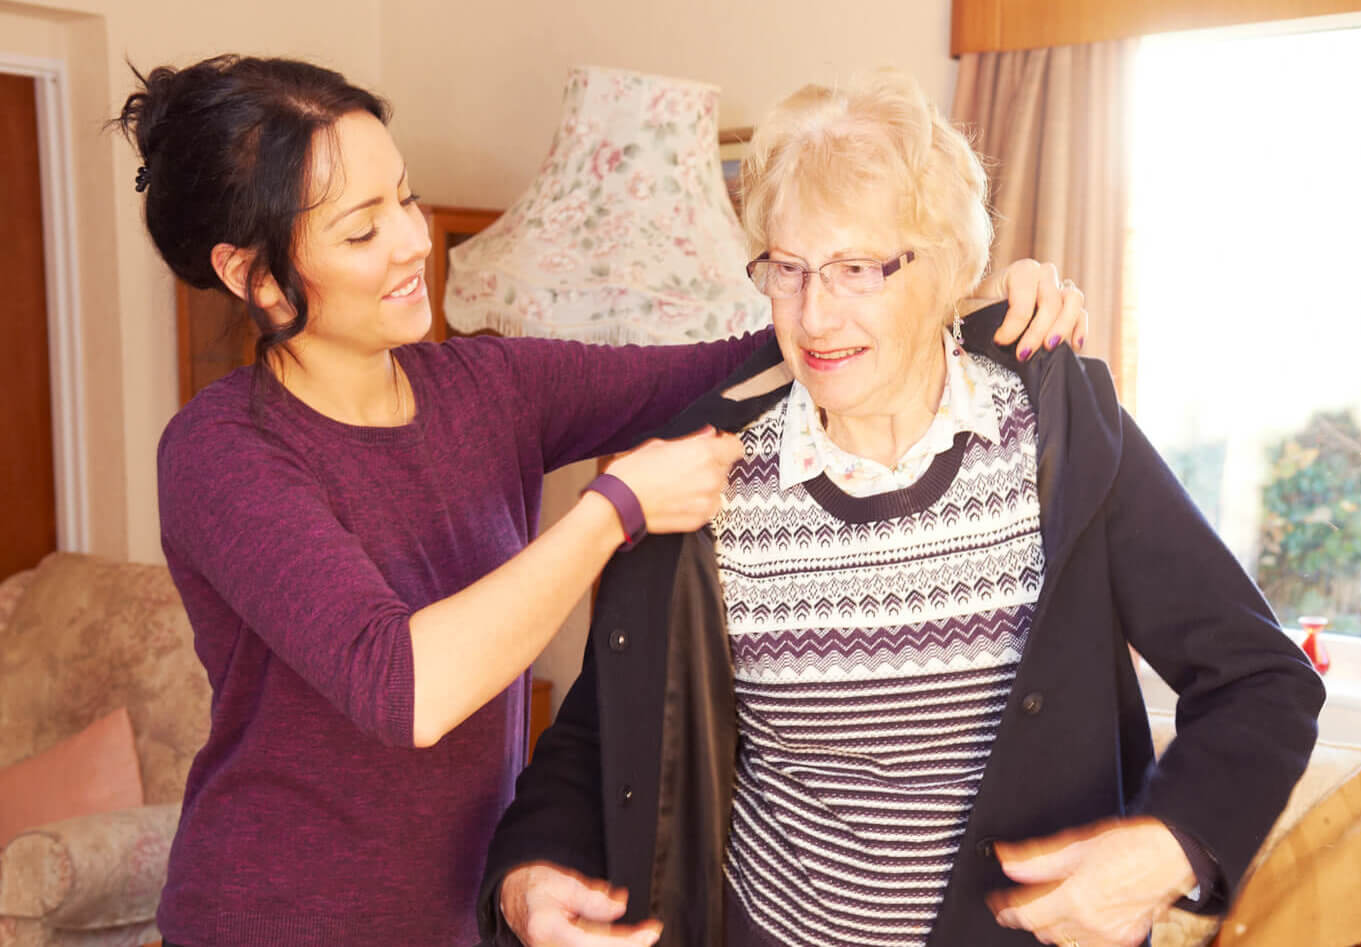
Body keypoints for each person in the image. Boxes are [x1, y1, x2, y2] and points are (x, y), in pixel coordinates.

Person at [114, 56, 1086, 947]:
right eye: (362, 228)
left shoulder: (485, 385)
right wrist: (612, 507)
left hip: (461, 915)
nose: (414, 240)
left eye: (403, 197)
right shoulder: (222, 454)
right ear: (250, 273)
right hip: (270, 920)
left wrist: (968, 302)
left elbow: (750, 359)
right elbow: (400, 683)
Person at [477, 70, 1326, 947]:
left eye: (856, 268)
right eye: (789, 269)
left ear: (947, 269)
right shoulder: (704, 472)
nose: (814, 312)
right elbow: (605, 721)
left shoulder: (1058, 435)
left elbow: (1261, 680)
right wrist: (527, 872)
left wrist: (1167, 848)